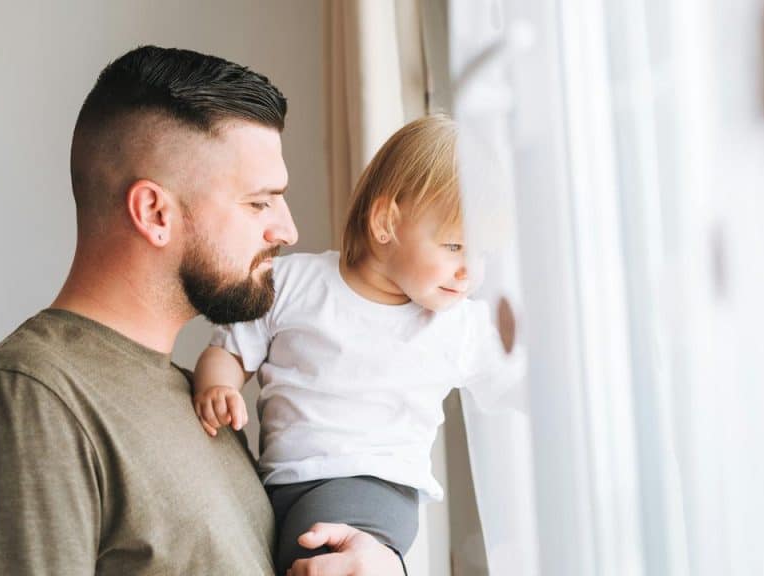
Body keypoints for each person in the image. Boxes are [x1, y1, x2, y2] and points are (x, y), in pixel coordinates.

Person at [0, 45, 406, 576]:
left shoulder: (202, 402)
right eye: (259, 202)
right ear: (154, 212)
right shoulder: (25, 398)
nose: (287, 231)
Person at [192, 114, 525, 573]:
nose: (471, 272)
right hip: (281, 487)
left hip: (374, 487)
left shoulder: (459, 326)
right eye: (454, 247)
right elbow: (227, 349)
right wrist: (219, 387)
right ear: (386, 222)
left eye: (482, 253)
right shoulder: (293, 282)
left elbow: (523, 384)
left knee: (323, 556)